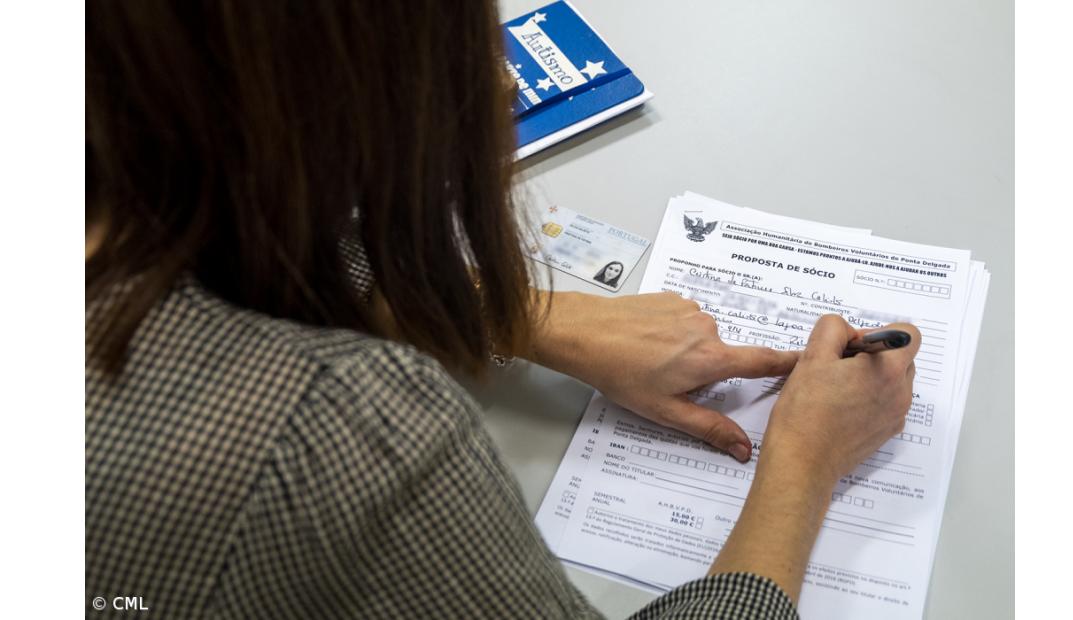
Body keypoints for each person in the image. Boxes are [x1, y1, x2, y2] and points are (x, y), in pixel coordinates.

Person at [85, 2, 920, 618]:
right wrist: (804, 464)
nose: (501, 80)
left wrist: (509, 311)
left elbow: (218, 228)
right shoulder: (336, 427)